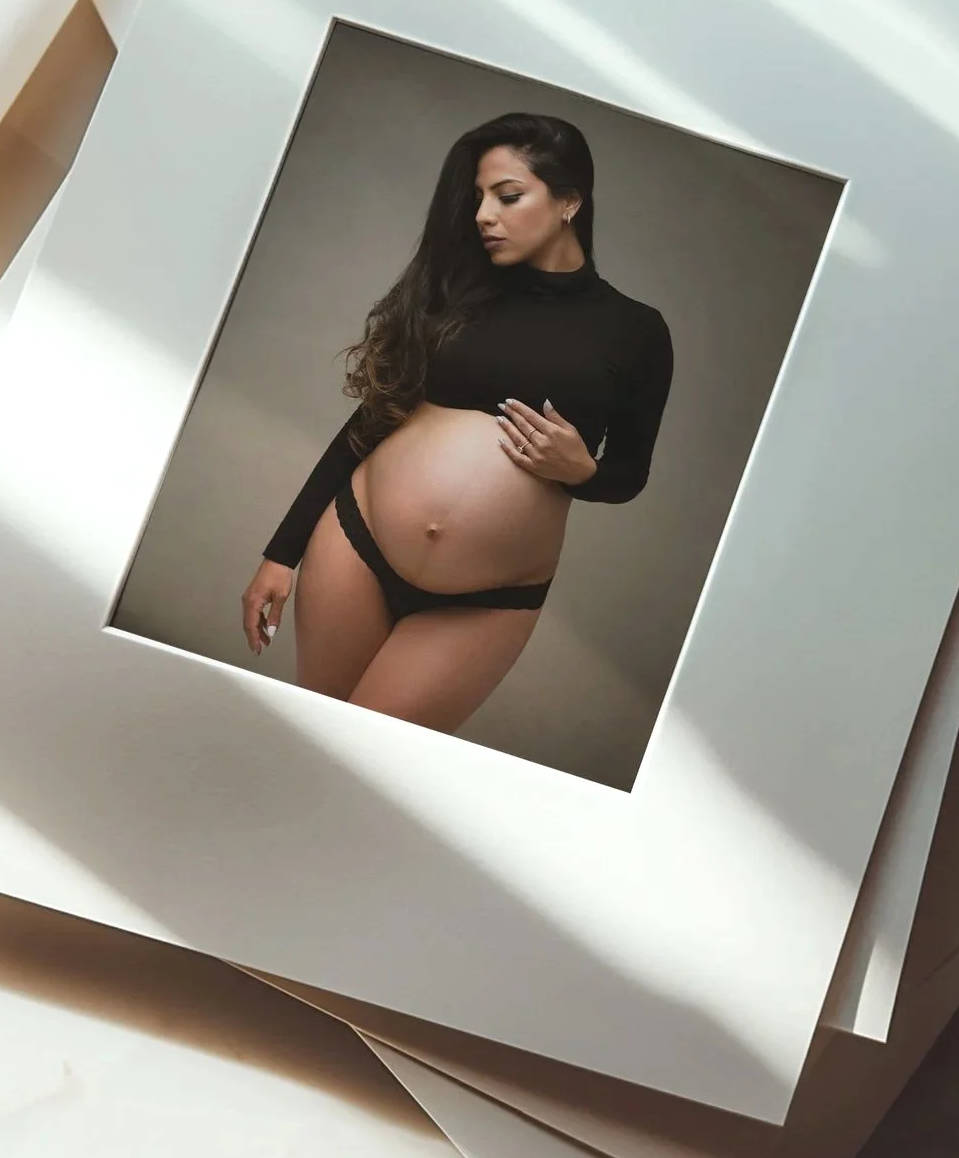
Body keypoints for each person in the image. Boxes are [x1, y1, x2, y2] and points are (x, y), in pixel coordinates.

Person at [239, 111, 673, 734]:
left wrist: (582, 472)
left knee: (374, 758)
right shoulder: (459, 295)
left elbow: (629, 472)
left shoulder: (636, 331)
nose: (482, 217)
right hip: (357, 544)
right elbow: (372, 421)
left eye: (508, 196)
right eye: (477, 199)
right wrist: (281, 554)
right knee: (313, 742)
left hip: (489, 597)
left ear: (569, 202)